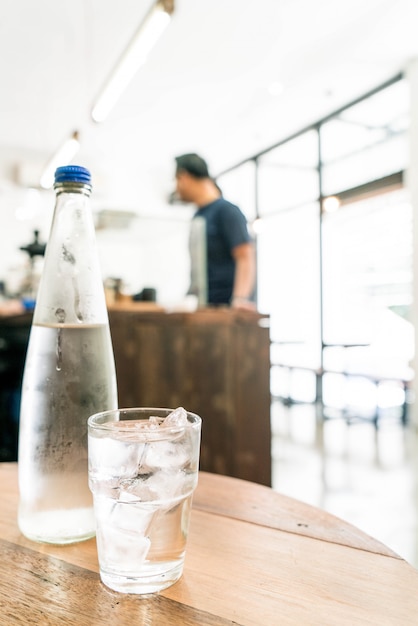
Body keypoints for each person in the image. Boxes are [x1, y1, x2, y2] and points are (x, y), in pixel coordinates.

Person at [174, 153, 256, 309]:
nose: (176, 187)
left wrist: (239, 300)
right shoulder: (198, 216)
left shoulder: (227, 211)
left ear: (184, 177)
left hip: (225, 310)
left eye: (176, 180)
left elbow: (245, 255)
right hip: (205, 306)